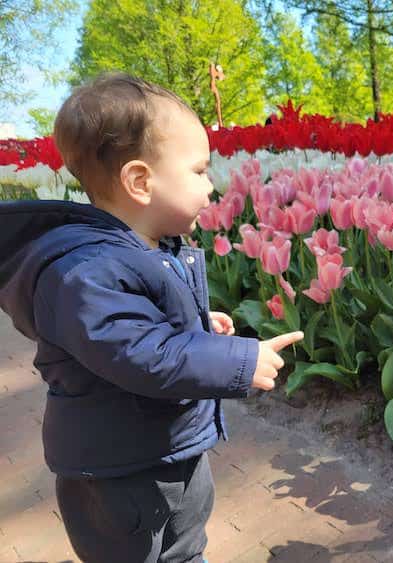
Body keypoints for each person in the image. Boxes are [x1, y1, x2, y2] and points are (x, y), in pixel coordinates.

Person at [0, 72, 303, 562]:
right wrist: (239, 362)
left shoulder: (142, 249)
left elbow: (148, 327)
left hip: (158, 453)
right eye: (200, 170)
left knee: (183, 549)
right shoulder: (85, 271)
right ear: (140, 181)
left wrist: (201, 326)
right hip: (122, 476)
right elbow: (142, 355)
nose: (212, 184)